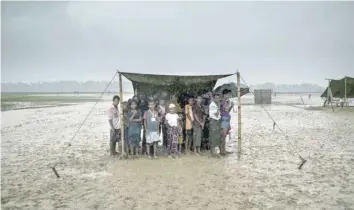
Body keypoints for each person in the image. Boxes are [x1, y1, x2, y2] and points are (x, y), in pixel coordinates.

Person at [220, 89, 234, 156]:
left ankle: (224, 150)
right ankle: (222, 151)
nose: (229, 96)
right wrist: (229, 104)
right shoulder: (223, 102)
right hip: (224, 120)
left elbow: (227, 111)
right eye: (228, 94)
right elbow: (226, 109)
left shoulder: (225, 101)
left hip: (227, 119)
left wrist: (231, 106)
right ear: (225, 94)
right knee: (223, 136)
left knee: (225, 136)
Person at [209, 93, 222, 157]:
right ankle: (214, 153)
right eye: (216, 98)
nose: (217, 99)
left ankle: (214, 152)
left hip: (217, 121)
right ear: (213, 98)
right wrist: (219, 107)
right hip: (213, 121)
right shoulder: (212, 105)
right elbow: (216, 114)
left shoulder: (216, 104)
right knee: (214, 136)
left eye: (218, 98)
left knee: (216, 136)